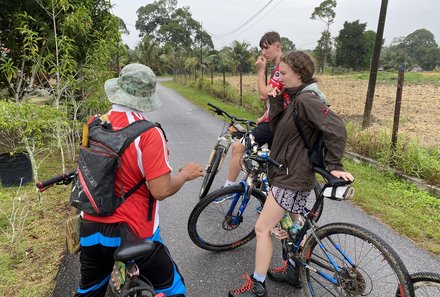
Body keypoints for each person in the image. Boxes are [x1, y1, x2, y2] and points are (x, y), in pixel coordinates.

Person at [228, 51, 354, 297]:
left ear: (299, 73)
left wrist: (334, 164)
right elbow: (279, 130)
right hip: (294, 174)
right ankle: (294, 271)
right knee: (294, 227)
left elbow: (336, 127)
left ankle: (257, 285)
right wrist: (275, 102)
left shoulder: (307, 100)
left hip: (291, 176)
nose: (279, 77)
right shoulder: (294, 98)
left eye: (283, 73)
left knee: (263, 229)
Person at [75, 63, 204, 297]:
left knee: (89, 290)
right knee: (174, 289)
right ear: (146, 97)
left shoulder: (93, 122)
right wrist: (185, 175)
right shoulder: (148, 133)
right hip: (135, 232)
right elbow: (161, 190)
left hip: (90, 226)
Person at [218, 31, 283, 203]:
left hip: (276, 124)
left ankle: (228, 188)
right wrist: (265, 115)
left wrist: (260, 71)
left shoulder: (280, 68)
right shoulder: (280, 67)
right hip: (276, 121)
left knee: (238, 147)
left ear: (278, 45)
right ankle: (269, 202)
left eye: (266, 48)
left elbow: (264, 95)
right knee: (271, 163)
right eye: (262, 49)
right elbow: (280, 98)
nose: (263, 53)